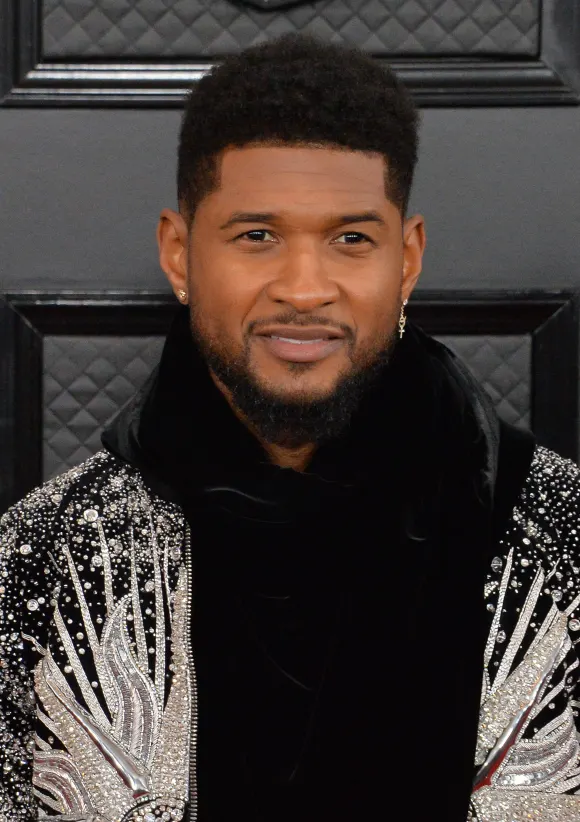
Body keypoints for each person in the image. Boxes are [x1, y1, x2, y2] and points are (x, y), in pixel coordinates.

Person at [1, 34, 580, 822]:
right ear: (179, 253)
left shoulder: (555, 531)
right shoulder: (46, 555)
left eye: (351, 239)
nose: (305, 290)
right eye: (257, 236)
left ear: (406, 259)